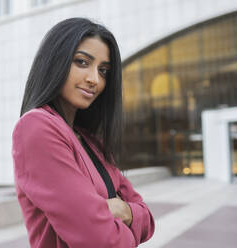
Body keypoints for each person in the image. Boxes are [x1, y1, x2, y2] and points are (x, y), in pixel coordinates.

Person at [12, 17, 155, 248]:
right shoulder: (36, 127)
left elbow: (148, 219)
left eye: (104, 70)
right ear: (55, 61)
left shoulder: (92, 142)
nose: (94, 80)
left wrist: (125, 211)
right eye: (81, 62)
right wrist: (122, 223)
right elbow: (101, 240)